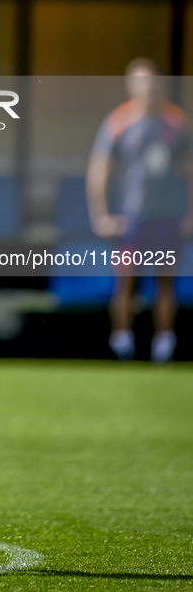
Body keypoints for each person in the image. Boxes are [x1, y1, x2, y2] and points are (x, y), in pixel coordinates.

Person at [86, 58, 193, 363]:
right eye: (142, 81)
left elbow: (189, 170)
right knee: (126, 281)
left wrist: (190, 214)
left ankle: (164, 345)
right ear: (130, 85)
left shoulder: (176, 122)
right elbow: (99, 170)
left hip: (168, 217)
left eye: (153, 81)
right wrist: (101, 215)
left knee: (165, 283)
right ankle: (121, 344)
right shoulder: (118, 122)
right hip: (133, 218)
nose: (149, 88)